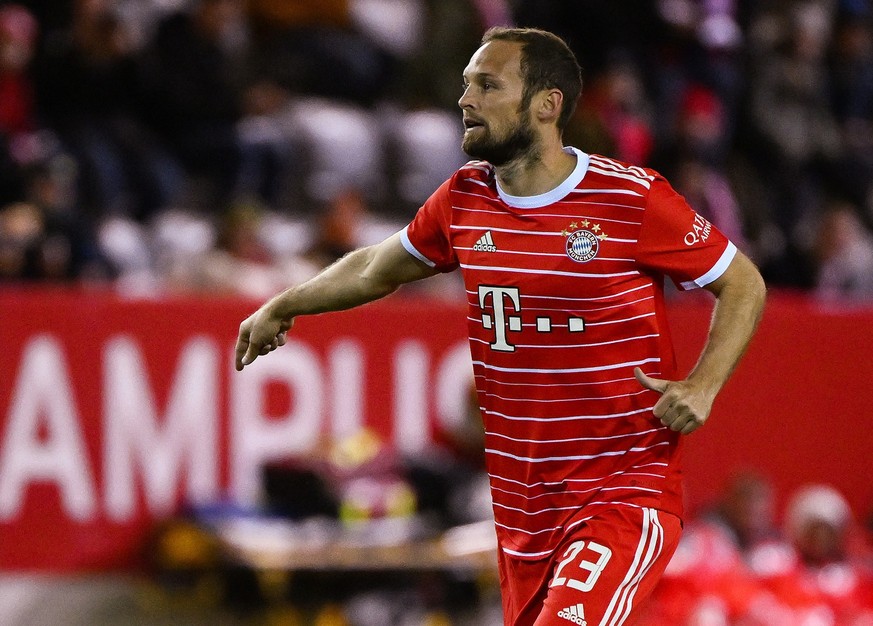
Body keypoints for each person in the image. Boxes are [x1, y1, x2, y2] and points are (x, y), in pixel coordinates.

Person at [235, 26, 766, 626]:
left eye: (487, 85)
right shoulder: (463, 199)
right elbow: (375, 268)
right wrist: (287, 303)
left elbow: (742, 281)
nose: (466, 100)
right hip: (523, 513)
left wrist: (703, 383)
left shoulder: (630, 199)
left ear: (547, 104)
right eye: (466, 85)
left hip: (621, 494)